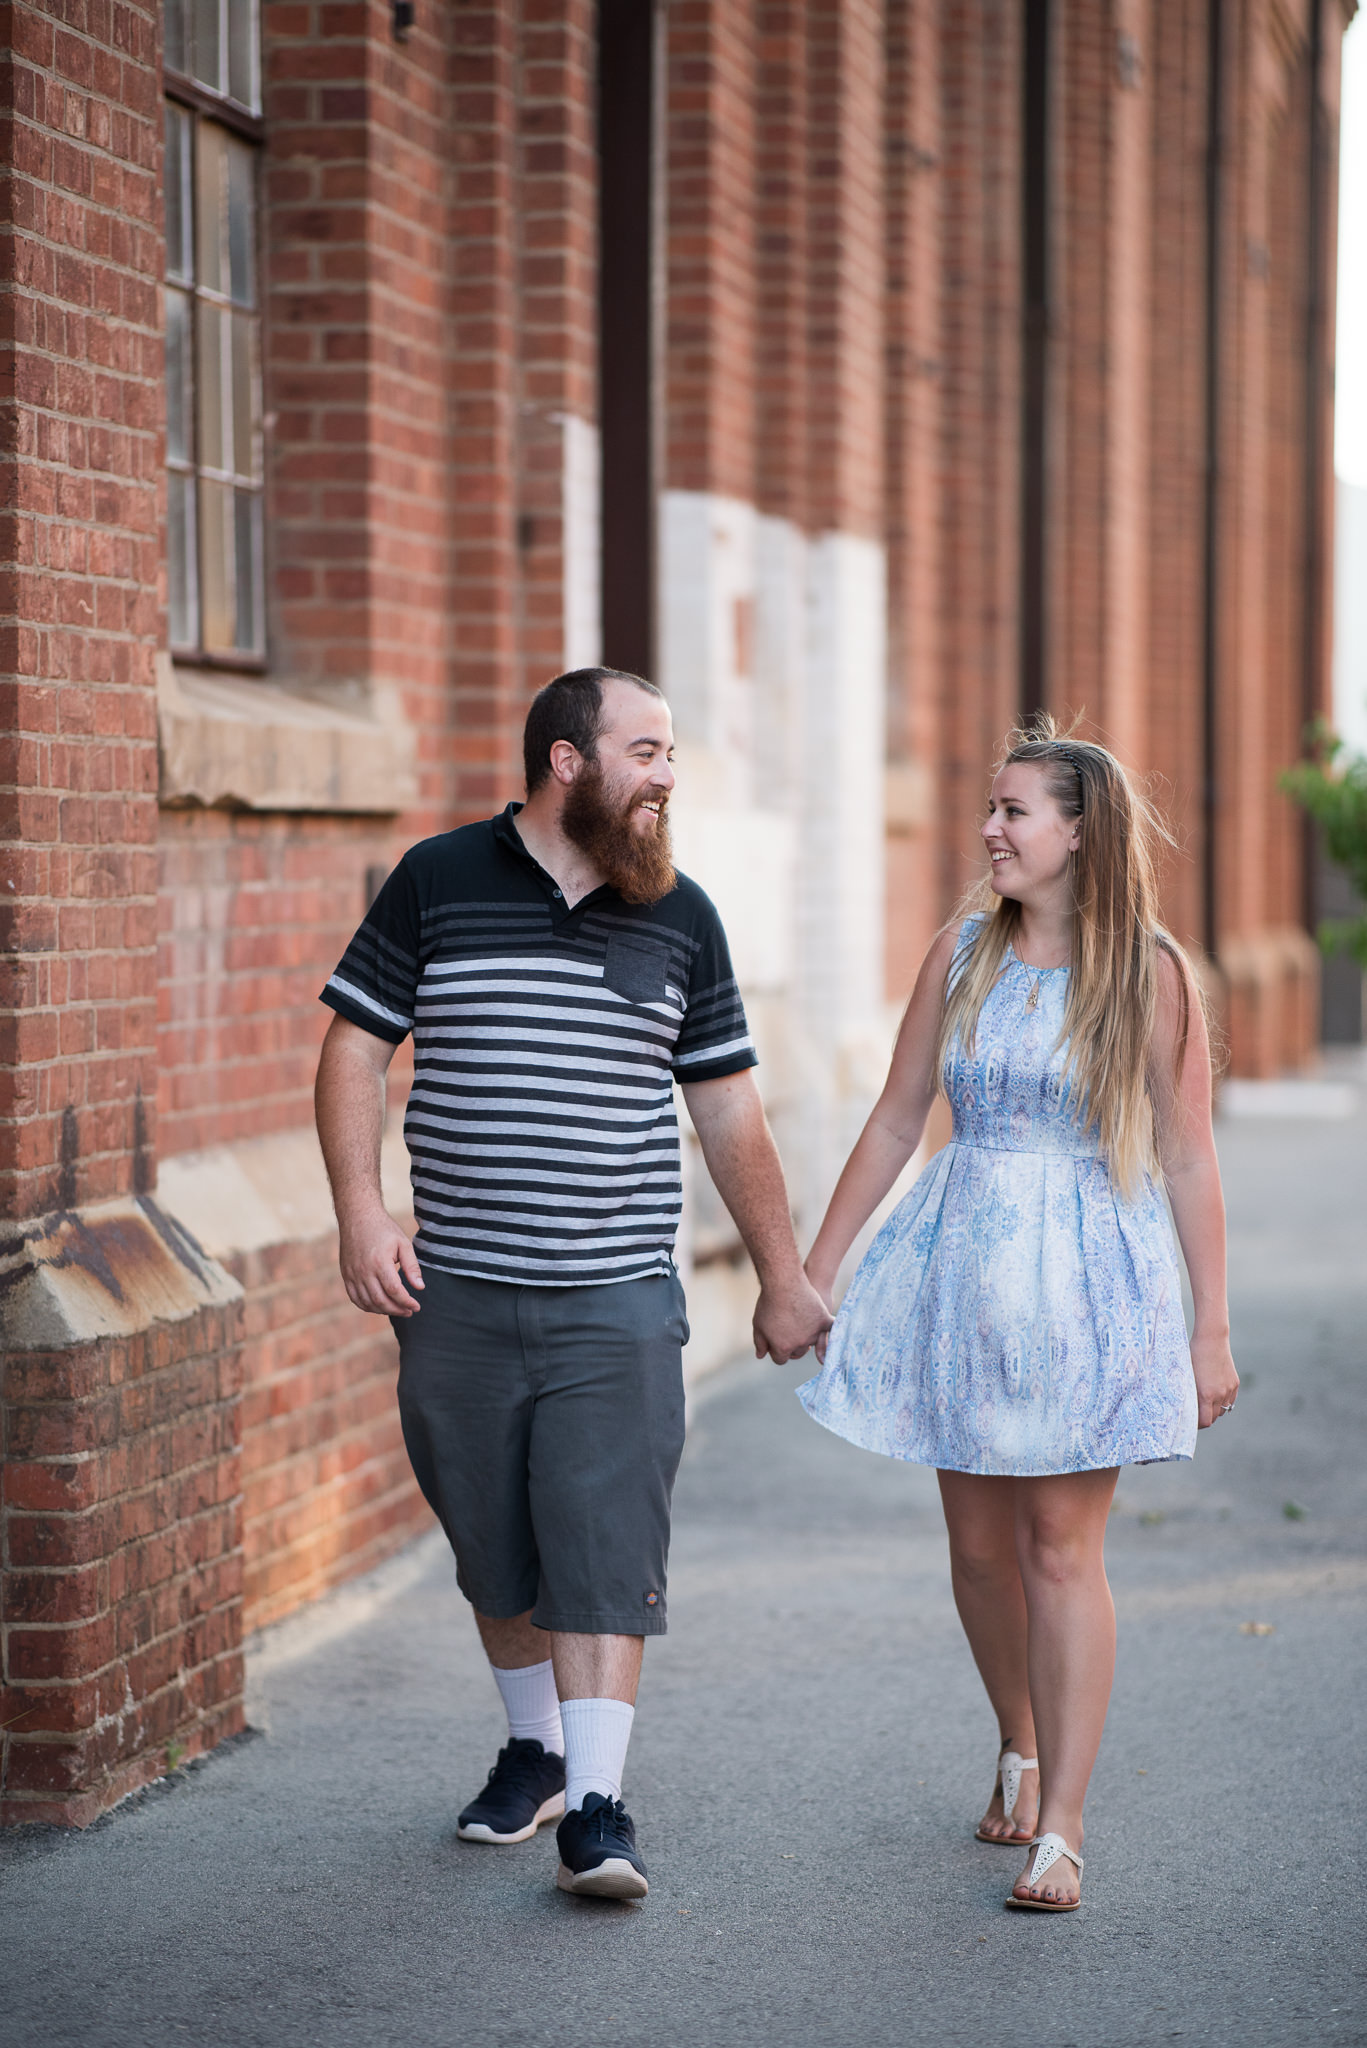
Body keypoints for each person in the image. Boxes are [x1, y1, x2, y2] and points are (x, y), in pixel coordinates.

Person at [315, 666, 830, 1901]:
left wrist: (781, 1274)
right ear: (565, 760)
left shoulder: (679, 914)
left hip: (615, 1298)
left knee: (601, 1540)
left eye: (669, 755)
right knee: (490, 1536)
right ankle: (534, 1749)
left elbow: (727, 1112)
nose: (664, 776)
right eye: (644, 750)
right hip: (460, 1293)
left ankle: (596, 1806)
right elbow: (353, 1048)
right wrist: (360, 1208)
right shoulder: (439, 881)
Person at [795, 721, 1238, 1912]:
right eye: (990, 808)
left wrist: (1209, 1327)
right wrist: (812, 1268)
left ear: (1079, 831)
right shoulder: (959, 956)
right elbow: (895, 1119)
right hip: (964, 1269)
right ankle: (1017, 1735)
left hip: (1091, 1277)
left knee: (1057, 1545)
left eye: (1014, 810)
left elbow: (1188, 1156)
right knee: (980, 1548)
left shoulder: (1145, 972)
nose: (989, 828)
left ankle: (1062, 1824)